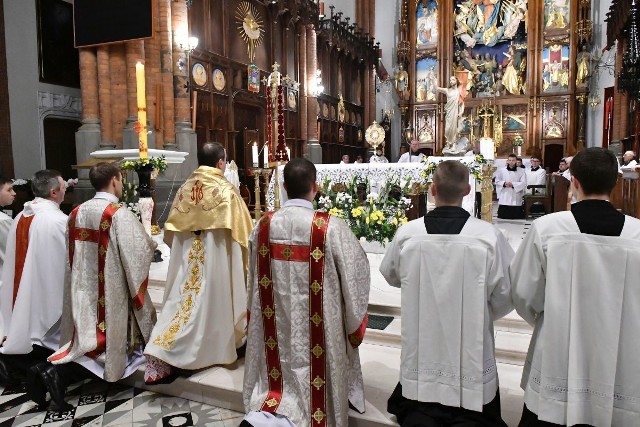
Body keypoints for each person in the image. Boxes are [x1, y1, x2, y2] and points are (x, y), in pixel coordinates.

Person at [509, 148, 640, 426]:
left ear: (574, 181)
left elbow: (522, 291)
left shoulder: (547, 228)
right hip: (622, 351)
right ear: (615, 182)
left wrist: (545, 319)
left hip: (558, 345)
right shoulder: (637, 233)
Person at [381, 160, 513, 427]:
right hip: (470, 338)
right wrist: (480, 310)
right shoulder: (487, 236)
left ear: (432, 189)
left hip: (423, 335)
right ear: (467, 190)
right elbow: (505, 292)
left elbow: (391, 275)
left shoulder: (409, 233)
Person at [242, 158, 370, 427]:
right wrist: (353, 321)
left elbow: (252, 277)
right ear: (315, 187)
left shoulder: (263, 225)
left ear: (284, 186)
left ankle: (274, 403)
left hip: (274, 320)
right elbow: (357, 271)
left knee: (279, 360)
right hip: (318, 329)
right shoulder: (329, 227)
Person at [41, 162, 157, 409]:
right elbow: (137, 252)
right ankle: (58, 374)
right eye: (121, 180)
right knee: (107, 343)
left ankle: (54, 371)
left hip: (83, 288)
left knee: (86, 336)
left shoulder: (75, 212)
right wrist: (152, 246)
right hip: (109, 291)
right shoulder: (117, 213)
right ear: (115, 180)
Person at [144, 142, 253, 384]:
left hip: (189, 259)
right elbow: (245, 235)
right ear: (221, 162)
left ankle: (166, 349)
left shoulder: (184, 188)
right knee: (210, 305)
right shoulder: (226, 191)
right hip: (218, 262)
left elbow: (170, 235)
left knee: (185, 302)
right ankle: (203, 350)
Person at [0, 171, 66, 387]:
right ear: (54, 192)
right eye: (63, 186)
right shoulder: (57, 220)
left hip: (25, 291)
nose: (65, 189)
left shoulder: (21, 216)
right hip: (48, 295)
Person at [435, 76, 465, 150]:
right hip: (449, 112)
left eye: (453, 80)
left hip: (455, 112)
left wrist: (461, 112)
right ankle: (448, 142)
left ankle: (454, 144)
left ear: (456, 81)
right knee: (447, 129)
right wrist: (433, 78)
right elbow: (437, 88)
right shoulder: (447, 90)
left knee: (454, 129)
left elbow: (462, 103)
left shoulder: (459, 91)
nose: (451, 81)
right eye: (450, 80)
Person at [495, 153, 527, 219]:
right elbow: (497, 180)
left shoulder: (521, 170)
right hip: (505, 192)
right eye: (510, 160)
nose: (511, 162)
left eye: (513, 160)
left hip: (515, 192)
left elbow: (523, 182)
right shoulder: (502, 170)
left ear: (515, 161)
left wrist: (513, 184)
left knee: (515, 204)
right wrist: (504, 183)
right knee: (504, 207)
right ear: (507, 161)